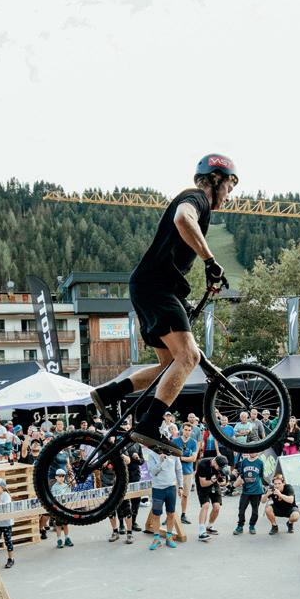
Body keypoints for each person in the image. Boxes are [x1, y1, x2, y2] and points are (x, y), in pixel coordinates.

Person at [88, 154, 236, 451]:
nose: (229, 196)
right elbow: (182, 218)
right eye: (229, 187)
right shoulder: (197, 198)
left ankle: (108, 394)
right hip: (155, 288)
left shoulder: (197, 201)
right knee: (189, 357)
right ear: (216, 179)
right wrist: (209, 260)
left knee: (170, 364)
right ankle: (151, 424)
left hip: (151, 287)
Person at [144, 446, 183, 551]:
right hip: (158, 489)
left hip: (171, 488)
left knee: (171, 513)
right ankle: (156, 539)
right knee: (156, 514)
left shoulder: (174, 453)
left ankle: (169, 537)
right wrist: (160, 462)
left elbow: (179, 469)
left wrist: (180, 486)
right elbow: (153, 472)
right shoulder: (152, 454)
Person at [194, 450, 228, 542]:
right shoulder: (203, 464)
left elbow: (223, 482)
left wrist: (223, 482)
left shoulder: (221, 466)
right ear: (215, 462)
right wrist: (213, 480)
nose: (219, 470)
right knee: (205, 505)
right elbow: (203, 484)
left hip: (214, 483)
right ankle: (201, 532)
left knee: (217, 507)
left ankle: (209, 526)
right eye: (219, 468)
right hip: (203, 484)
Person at [171, 421, 199, 524]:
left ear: (191, 431)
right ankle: (170, 514)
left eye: (189, 430)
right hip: (175, 472)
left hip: (187, 472)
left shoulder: (193, 442)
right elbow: (171, 456)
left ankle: (183, 515)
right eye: (185, 430)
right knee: (172, 495)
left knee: (185, 495)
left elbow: (193, 458)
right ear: (182, 430)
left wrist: (180, 458)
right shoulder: (175, 441)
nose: (187, 432)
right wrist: (185, 458)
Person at [233, 450, 265, 535]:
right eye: (250, 450)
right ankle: (240, 526)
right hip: (246, 490)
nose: (252, 452)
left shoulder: (260, 462)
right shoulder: (244, 461)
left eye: (254, 450)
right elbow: (242, 474)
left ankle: (252, 526)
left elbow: (261, 475)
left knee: (255, 510)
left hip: (256, 490)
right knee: (241, 509)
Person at [50, 468, 74, 548]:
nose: (61, 478)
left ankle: (67, 538)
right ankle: (59, 539)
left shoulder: (67, 486)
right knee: (58, 525)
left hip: (65, 508)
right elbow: (53, 499)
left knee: (65, 524)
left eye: (63, 476)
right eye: (59, 476)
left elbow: (69, 497)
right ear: (56, 477)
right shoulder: (54, 488)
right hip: (58, 509)